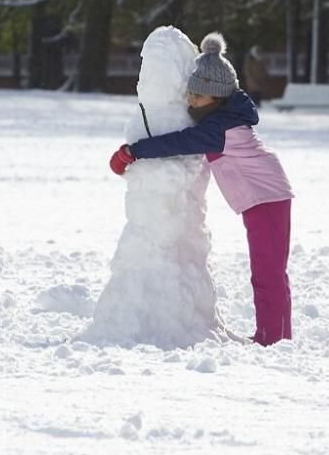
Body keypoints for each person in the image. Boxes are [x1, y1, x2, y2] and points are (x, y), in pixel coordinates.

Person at [109, 32, 294, 347]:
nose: (191, 100)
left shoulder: (218, 129)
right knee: (267, 273)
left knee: (268, 274)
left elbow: (179, 142)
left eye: (197, 96)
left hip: (268, 198)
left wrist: (133, 151)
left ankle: (274, 340)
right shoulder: (220, 120)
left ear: (216, 96)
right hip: (263, 197)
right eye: (190, 94)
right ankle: (274, 335)